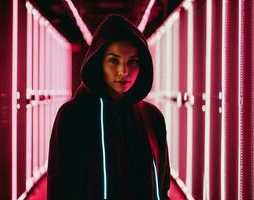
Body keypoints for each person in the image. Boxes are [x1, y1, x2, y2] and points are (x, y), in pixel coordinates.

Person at [47, 14, 170, 200]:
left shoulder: (152, 117)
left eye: (132, 61)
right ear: (99, 62)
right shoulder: (73, 115)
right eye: (114, 60)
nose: (124, 71)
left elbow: (162, 187)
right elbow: (59, 187)